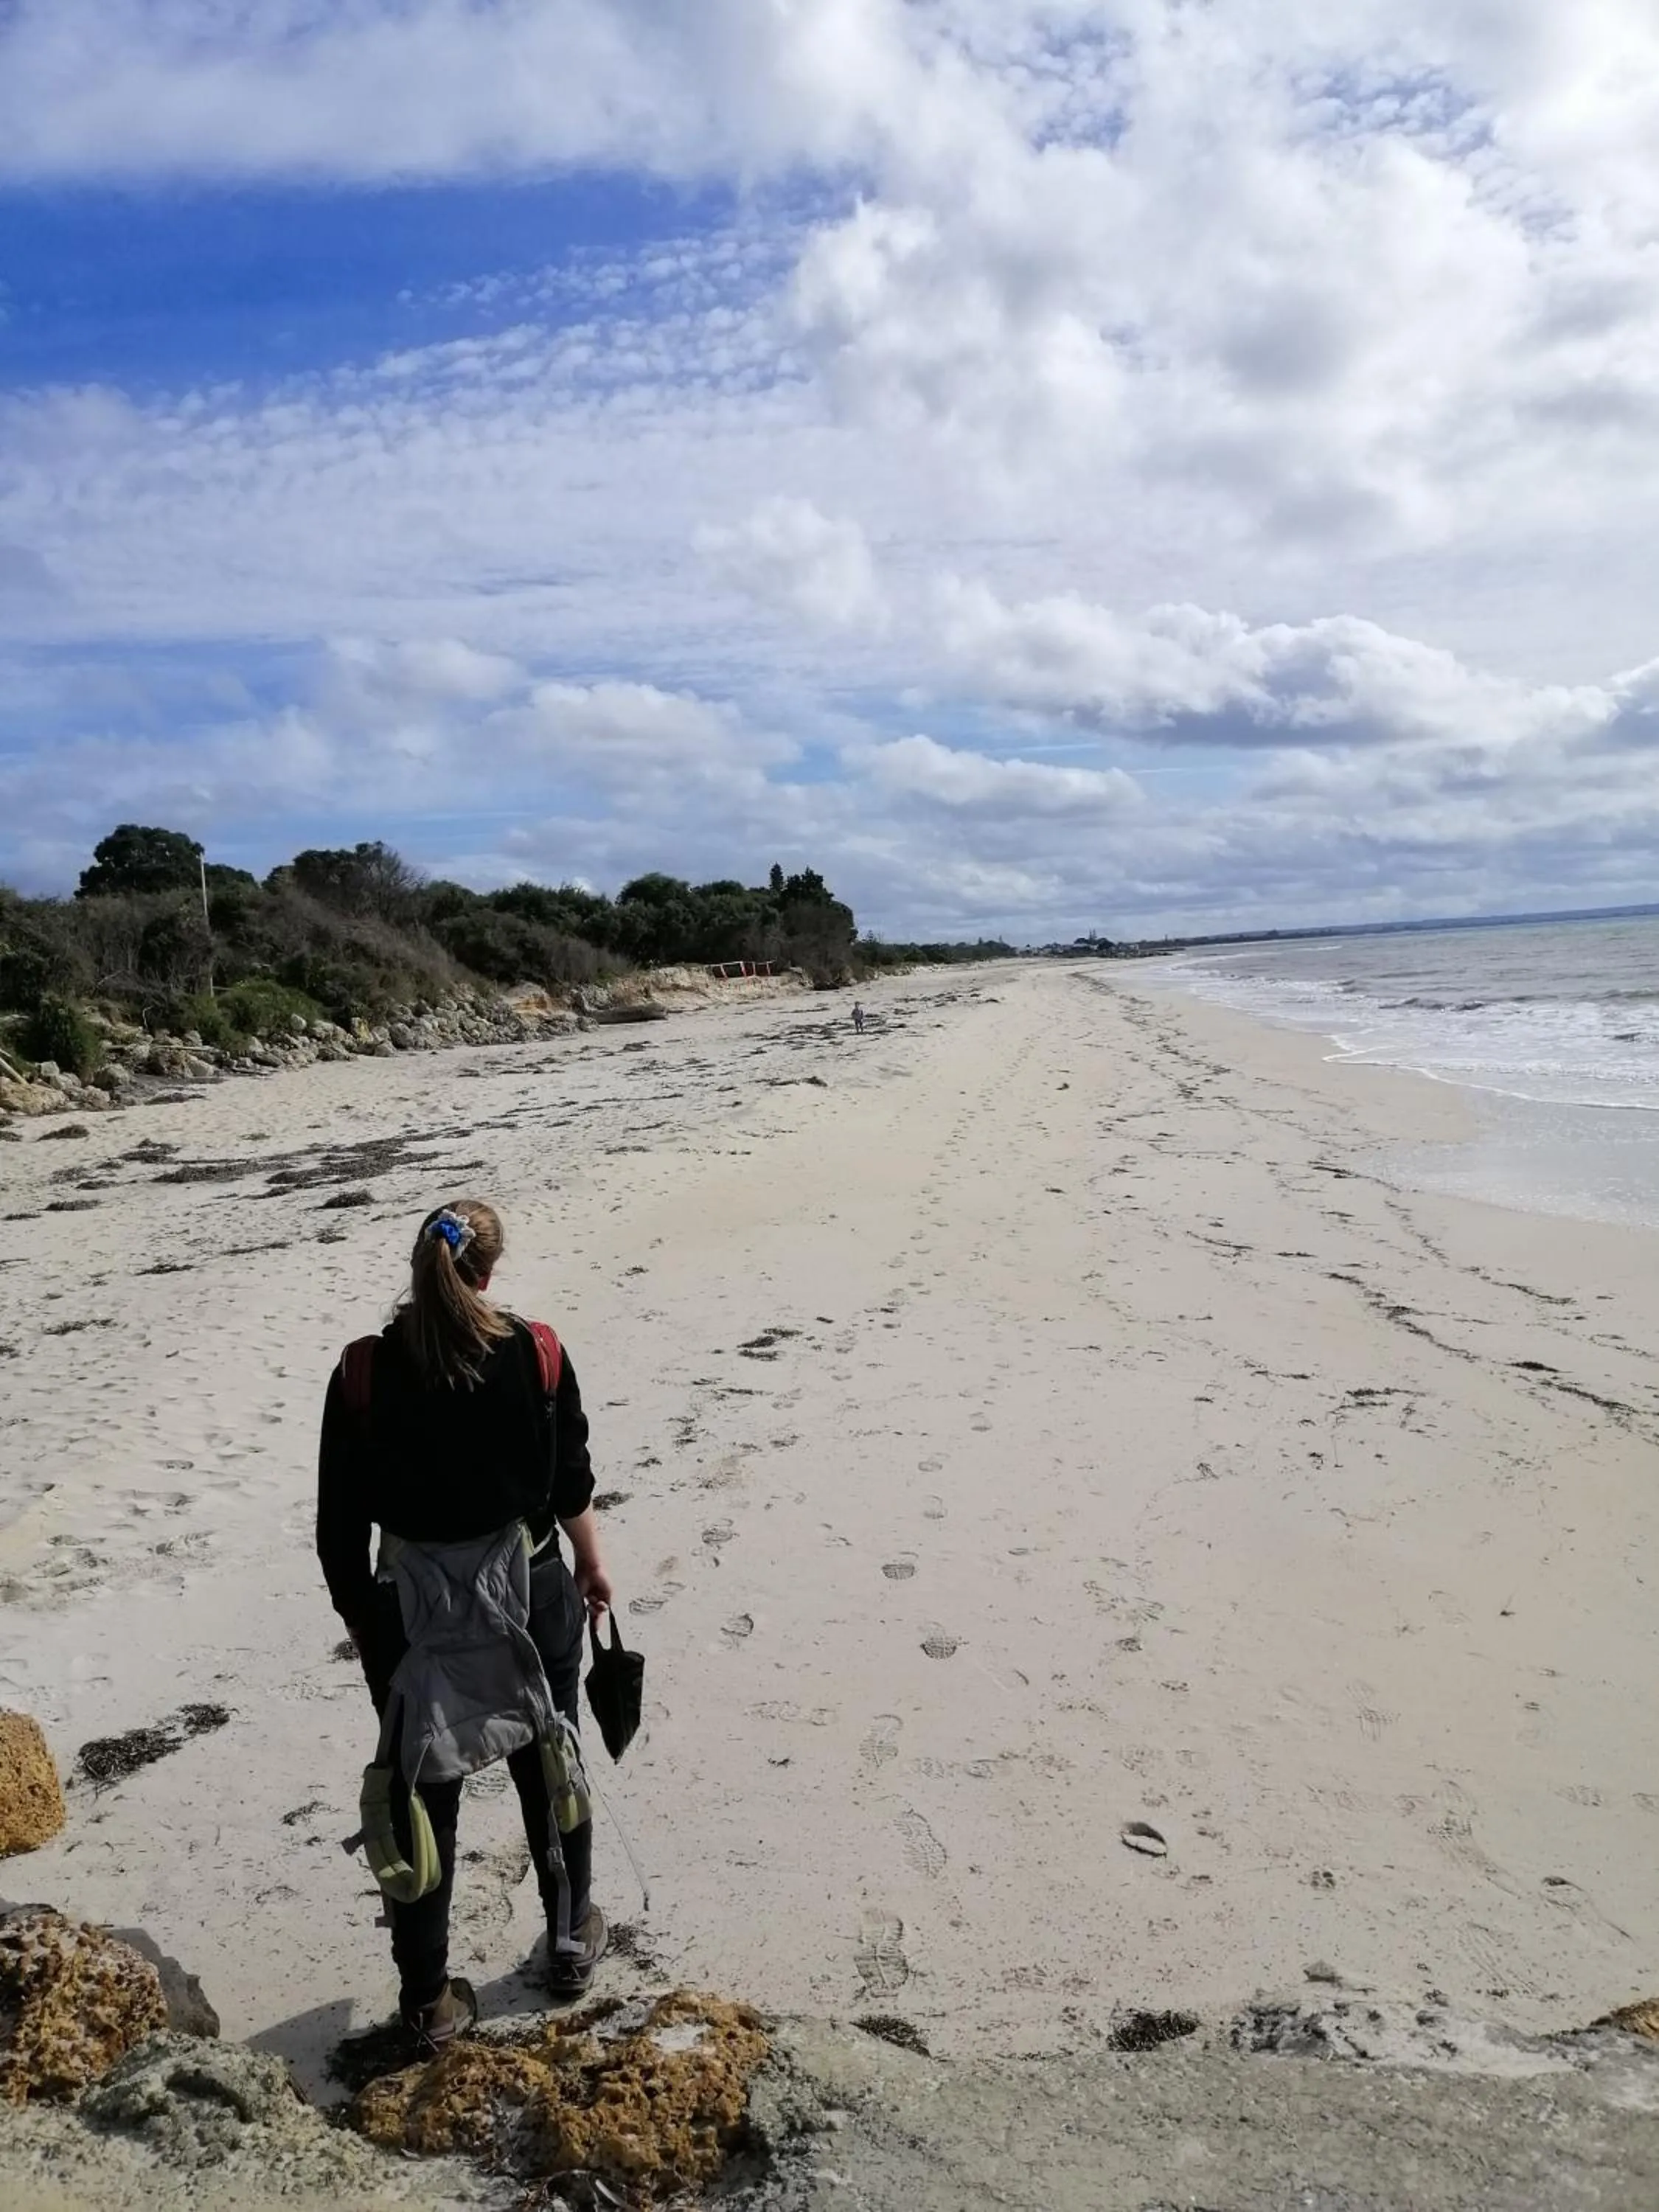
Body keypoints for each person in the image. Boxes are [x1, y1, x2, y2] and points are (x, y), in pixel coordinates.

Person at [316, 1198, 613, 2047]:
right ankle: (567, 1937)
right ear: (490, 1271)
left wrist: (368, 1627)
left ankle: (425, 2001)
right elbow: (570, 1486)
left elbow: (339, 1532)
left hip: (411, 1610)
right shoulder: (539, 1353)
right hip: (533, 1587)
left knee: (418, 1793)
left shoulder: (363, 1373)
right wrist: (591, 1566)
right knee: (548, 1759)